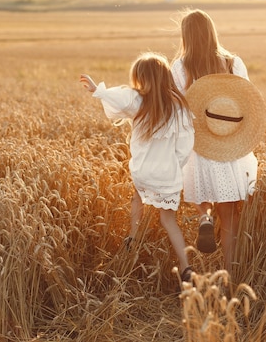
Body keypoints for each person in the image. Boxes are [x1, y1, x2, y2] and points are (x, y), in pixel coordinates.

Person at [80, 52, 195, 282]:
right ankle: (186, 268)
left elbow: (120, 98)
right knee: (168, 220)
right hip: (168, 173)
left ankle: (132, 239)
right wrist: (174, 166)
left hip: (143, 171)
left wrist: (98, 90)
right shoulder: (179, 108)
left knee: (137, 199)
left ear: (142, 78)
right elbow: (185, 145)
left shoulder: (137, 100)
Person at [171, 9, 260, 274]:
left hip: (199, 144)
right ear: (212, 31)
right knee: (230, 217)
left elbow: (177, 107)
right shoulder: (233, 62)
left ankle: (204, 217)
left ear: (185, 35)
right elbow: (245, 100)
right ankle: (230, 277)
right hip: (229, 143)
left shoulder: (181, 66)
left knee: (203, 194)